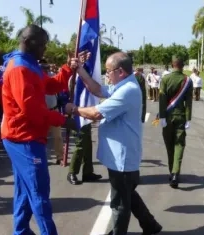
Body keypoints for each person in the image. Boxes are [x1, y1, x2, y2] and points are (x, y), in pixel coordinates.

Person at [65, 52, 162, 235]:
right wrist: (80, 70)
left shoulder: (127, 90)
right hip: (120, 155)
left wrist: (74, 109)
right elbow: (97, 90)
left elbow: (96, 113)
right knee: (127, 194)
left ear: (121, 71)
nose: (106, 74)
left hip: (122, 157)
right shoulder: (122, 84)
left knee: (119, 203)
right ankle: (150, 225)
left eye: (108, 71)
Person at [1, 24, 80, 235]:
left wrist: (67, 69)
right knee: (38, 192)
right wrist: (63, 120)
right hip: (23, 138)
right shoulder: (20, 68)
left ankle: (21, 231)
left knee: (24, 191)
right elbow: (31, 110)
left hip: (28, 135)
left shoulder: (31, 65)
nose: (45, 49)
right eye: (42, 45)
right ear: (27, 42)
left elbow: (51, 86)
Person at [158, 56, 193, 189]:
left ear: (172, 65)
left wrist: (161, 117)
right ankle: (175, 173)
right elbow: (188, 102)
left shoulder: (165, 79)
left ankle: (172, 172)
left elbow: (162, 99)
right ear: (182, 66)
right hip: (180, 117)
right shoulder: (187, 80)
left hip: (167, 117)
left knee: (169, 146)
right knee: (179, 145)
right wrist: (188, 118)